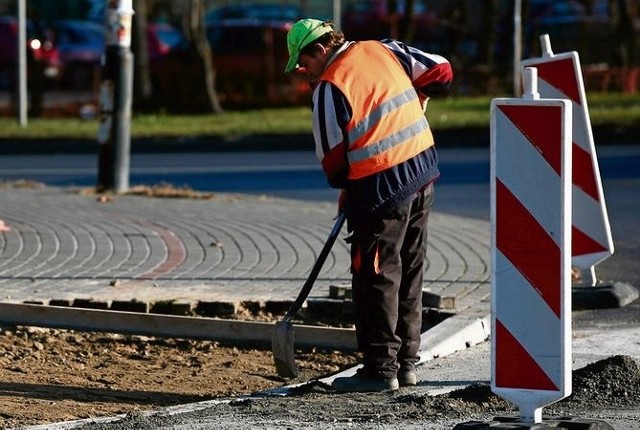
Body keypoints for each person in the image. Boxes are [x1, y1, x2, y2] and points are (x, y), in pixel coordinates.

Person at [284, 19, 453, 392]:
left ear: (321, 49)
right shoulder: (384, 49)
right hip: (422, 171)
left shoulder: (329, 87)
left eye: (303, 61)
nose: (302, 70)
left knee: (375, 276)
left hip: (381, 189)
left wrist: (349, 188)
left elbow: (332, 161)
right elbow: (441, 70)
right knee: (409, 270)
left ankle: (380, 370)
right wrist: (418, 96)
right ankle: (406, 363)